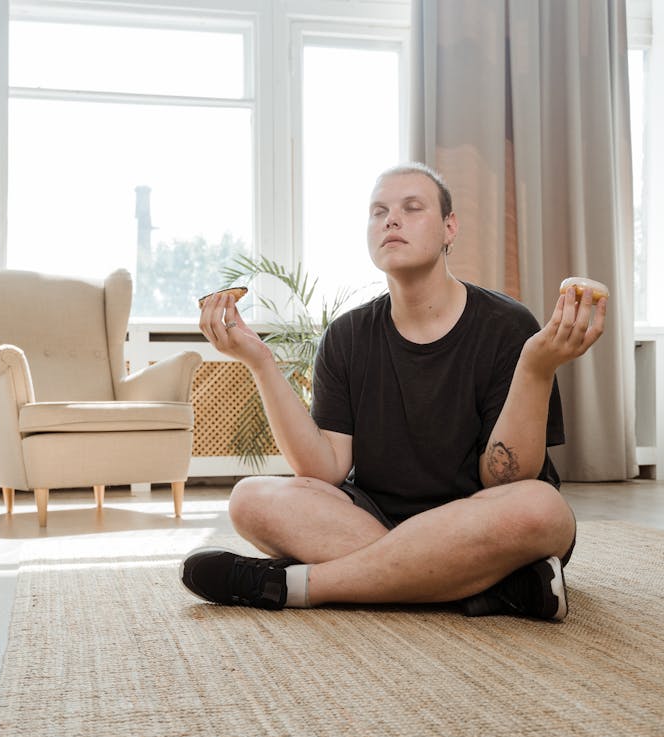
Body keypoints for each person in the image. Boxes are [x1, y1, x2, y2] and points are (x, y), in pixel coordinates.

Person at [183, 162, 606, 619]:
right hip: (371, 518)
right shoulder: (346, 336)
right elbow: (324, 470)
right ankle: (493, 587)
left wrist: (536, 369)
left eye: (412, 207)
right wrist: (261, 362)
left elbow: (505, 480)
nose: (391, 220)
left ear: (449, 227)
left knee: (541, 508)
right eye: (379, 211)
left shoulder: (507, 325)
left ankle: (295, 585)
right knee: (250, 499)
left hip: (484, 516)